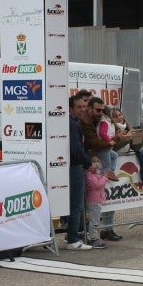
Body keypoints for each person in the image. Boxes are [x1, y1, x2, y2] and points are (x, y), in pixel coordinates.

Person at [81, 97, 120, 240]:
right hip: (94, 198)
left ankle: (95, 234)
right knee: (93, 216)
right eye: (98, 110)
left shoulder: (100, 121)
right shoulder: (89, 123)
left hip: (98, 196)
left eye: (103, 110)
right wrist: (113, 140)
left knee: (113, 155)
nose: (101, 113)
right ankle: (91, 237)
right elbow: (97, 142)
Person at [65, 93, 93, 251]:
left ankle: (71, 236)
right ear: (71, 108)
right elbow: (75, 149)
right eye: (79, 107)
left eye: (84, 106)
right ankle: (73, 239)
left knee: (74, 204)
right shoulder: (72, 124)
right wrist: (88, 162)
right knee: (76, 204)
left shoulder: (74, 122)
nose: (83, 109)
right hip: (74, 167)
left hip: (71, 166)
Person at [84, 155, 109, 249]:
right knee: (94, 221)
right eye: (93, 162)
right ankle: (93, 238)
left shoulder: (97, 173)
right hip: (93, 200)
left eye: (97, 161)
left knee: (96, 220)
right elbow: (97, 185)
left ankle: (94, 237)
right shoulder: (88, 174)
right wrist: (105, 177)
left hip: (97, 199)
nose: (96, 164)